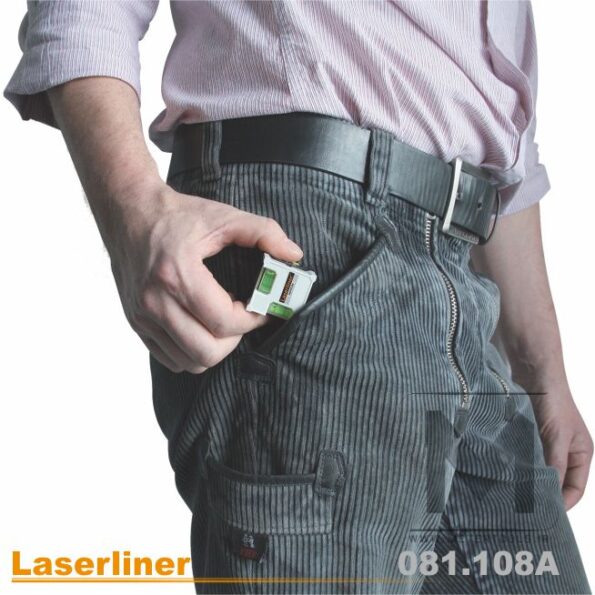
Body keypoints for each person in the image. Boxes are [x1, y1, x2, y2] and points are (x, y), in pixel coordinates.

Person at [4, 1, 592, 593]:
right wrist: (135, 211)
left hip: (462, 274)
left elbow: (498, 143)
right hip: (311, 236)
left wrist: (544, 371)